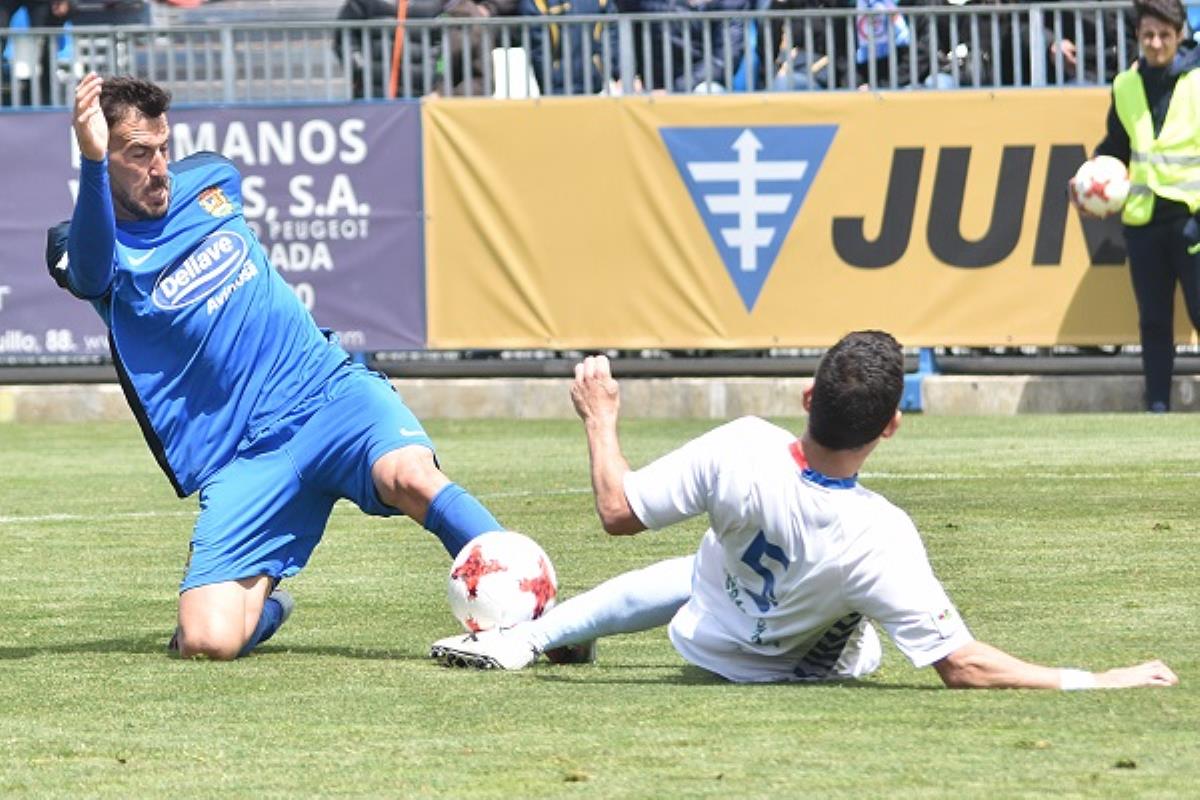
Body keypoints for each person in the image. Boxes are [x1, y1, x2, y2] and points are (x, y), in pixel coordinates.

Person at [46, 74, 508, 660]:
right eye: (138, 154)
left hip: (328, 395)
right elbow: (89, 275)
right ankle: (268, 603)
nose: (159, 166)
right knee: (206, 643)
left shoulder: (213, 179)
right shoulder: (81, 243)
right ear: (101, 156)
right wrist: (90, 162)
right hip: (243, 457)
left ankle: (535, 599)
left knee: (411, 476)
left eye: (164, 148)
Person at [432, 332, 1179, 690]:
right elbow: (964, 666)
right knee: (827, 604)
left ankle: (527, 639)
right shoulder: (880, 534)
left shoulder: (741, 447)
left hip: (709, 640)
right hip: (801, 672)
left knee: (701, 566)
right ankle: (538, 639)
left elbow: (617, 510)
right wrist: (1097, 680)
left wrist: (600, 416)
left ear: (807, 397)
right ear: (890, 427)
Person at [1079, 0, 1200, 412]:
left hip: (1192, 219)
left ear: (1180, 35)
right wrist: (1085, 183)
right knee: (1152, 321)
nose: (1156, 43)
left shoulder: (1198, 81)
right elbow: (1115, 146)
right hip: (1145, 222)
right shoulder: (1126, 85)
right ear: (1137, 36)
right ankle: (1157, 405)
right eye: (1148, 35)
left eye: (1165, 35)